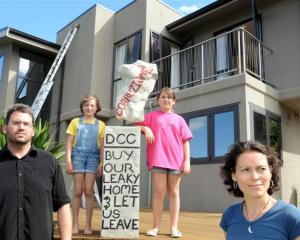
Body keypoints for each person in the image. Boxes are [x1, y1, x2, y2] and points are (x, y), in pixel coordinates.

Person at [0, 103, 72, 240]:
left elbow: (62, 205)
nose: (21, 127)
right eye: (16, 123)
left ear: (33, 131)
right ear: (5, 128)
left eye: (26, 124)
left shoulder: (49, 162)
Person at [136, 87, 193, 238]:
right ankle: (155, 227)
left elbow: (185, 142)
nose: (166, 99)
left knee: (174, 193)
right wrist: (145, 129)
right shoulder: (151, 116)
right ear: (157, 101)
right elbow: (135, 127)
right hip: (157, 159)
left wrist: (187, 161)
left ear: (173, 102)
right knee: (159, 193)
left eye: (169, 97)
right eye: (163, 97)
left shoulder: (179, 120)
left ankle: (174, 228)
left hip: (176, 161)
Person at [220, 141, 300, 240]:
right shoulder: (229, 215)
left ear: (270, 173)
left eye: (261, 168)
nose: (254, 177)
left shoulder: (292, 217)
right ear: (234, 175)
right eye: (245, 169)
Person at [65, 94, 105, 235]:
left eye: (92, 105)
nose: (89, 107)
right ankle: (74, 225)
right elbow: (69, 143)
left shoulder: (101, 125)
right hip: (78, 156)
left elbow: (103, 147)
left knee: (89, 191)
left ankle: (88, 225)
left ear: (96, 108)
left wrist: (102, 163)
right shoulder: (75, 122)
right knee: (77, 191)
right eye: (86, 105)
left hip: (94, 157)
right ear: (82, 107)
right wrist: (68, 161)